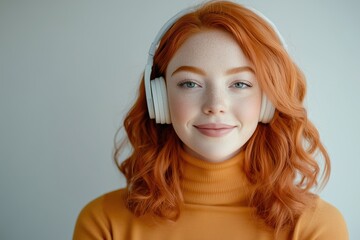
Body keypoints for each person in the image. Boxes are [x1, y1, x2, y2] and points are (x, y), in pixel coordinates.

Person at [73, 1, 348, 239]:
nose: (215, 106)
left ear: (268, 101)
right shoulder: (103, 222)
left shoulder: (315, 227)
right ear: (160, 98)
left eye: (240, 84)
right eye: (190, 84)